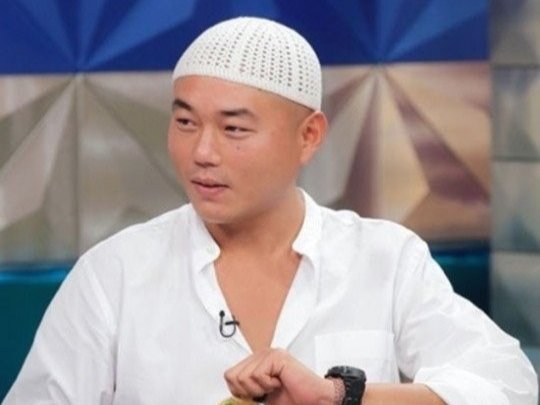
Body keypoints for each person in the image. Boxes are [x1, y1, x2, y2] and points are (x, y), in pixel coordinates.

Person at [3, 16, 538, 405]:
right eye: (185, 122)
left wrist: (339, 396)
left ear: (309, 136)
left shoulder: (386, 259)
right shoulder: (114, 275)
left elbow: (508, 386)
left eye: (234, 128)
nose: (202, 151)